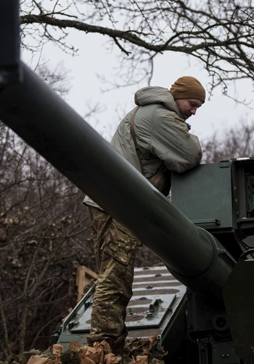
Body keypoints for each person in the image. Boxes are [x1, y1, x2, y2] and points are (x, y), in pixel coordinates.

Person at [83, 76, 205, 352]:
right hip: (117, 203)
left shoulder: (149, 112)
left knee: (115, 273)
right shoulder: (159, 116)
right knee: (116, 274)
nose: (194, 111)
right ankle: (104, 345)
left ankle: (108, 342)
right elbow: (189, 155)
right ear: (178, 97)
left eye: (199, 107)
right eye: (192, 103)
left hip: (110, 201)